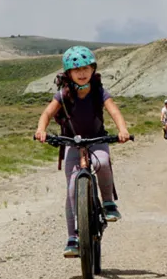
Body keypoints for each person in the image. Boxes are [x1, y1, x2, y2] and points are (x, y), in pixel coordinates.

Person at [34, 46, 131, 258]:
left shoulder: (99, 92)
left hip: (97, 139)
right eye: (76, 70)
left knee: (103, 163)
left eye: (85, 68)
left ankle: (108, 203)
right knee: (71, 191)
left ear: (93, 69)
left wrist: (122, 129)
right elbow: (47, 113)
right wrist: (41, 129)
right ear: (68, 74)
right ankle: (73, 238)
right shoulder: (63, 94)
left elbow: (114, 110)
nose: (81, 73)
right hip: (71, 143)